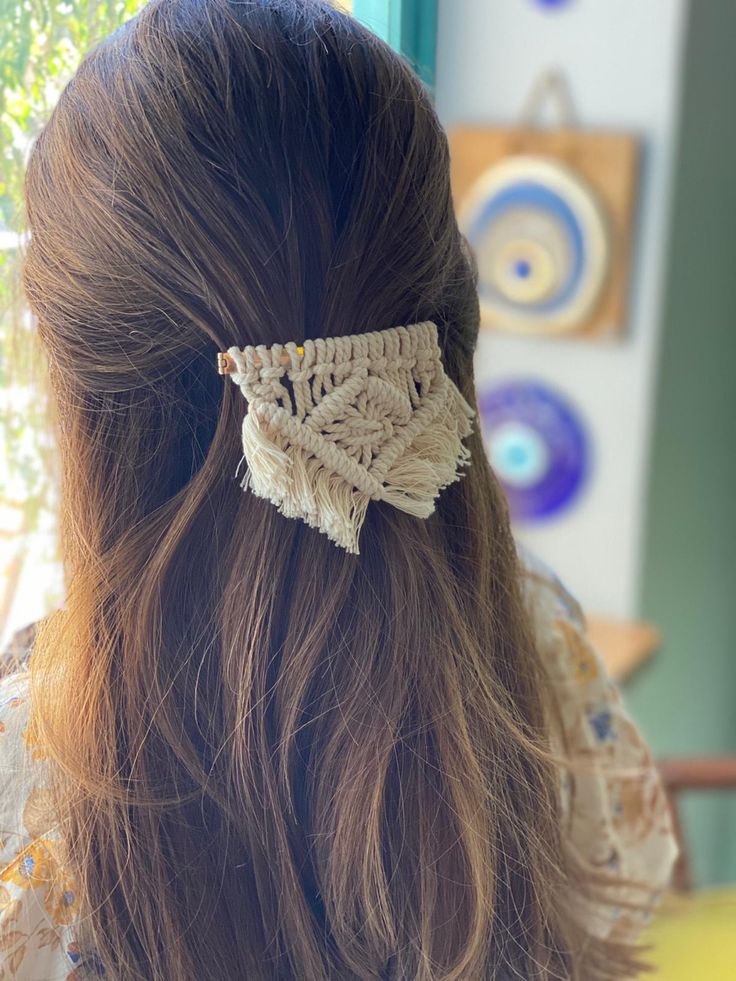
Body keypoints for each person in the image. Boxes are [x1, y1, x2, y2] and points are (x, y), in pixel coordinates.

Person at [0, 0, 677, 977]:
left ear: (82, 399)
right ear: (446, 327)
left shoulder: (27, 780)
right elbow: (625, 903)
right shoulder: (548, 653)